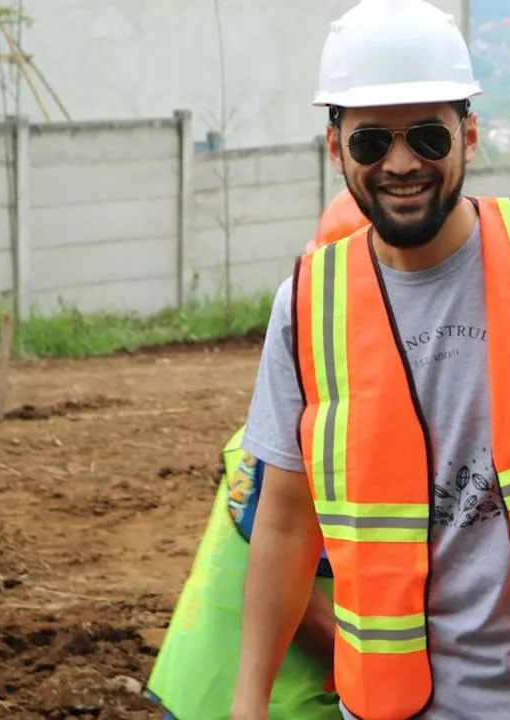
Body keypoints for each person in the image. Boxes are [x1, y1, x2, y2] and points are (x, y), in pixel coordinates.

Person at [231, 1, 510, 719]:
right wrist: (248, 701)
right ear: (335, 150)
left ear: (469, 135)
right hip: (395, 703)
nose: (402, 162)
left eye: (428, 137)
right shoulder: (307, 306)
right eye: (372, 141)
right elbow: (285, 523)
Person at [144, 194, 369, 720]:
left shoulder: (317, 403)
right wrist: (396, 682)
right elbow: (306, 605)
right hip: (265, 700)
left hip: (219, 684)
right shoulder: (317, 426)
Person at [144, 425, 341, 719]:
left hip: (210, 682)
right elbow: (292, 585)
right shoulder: (330, 449)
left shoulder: (274, 427)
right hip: (277, 701)